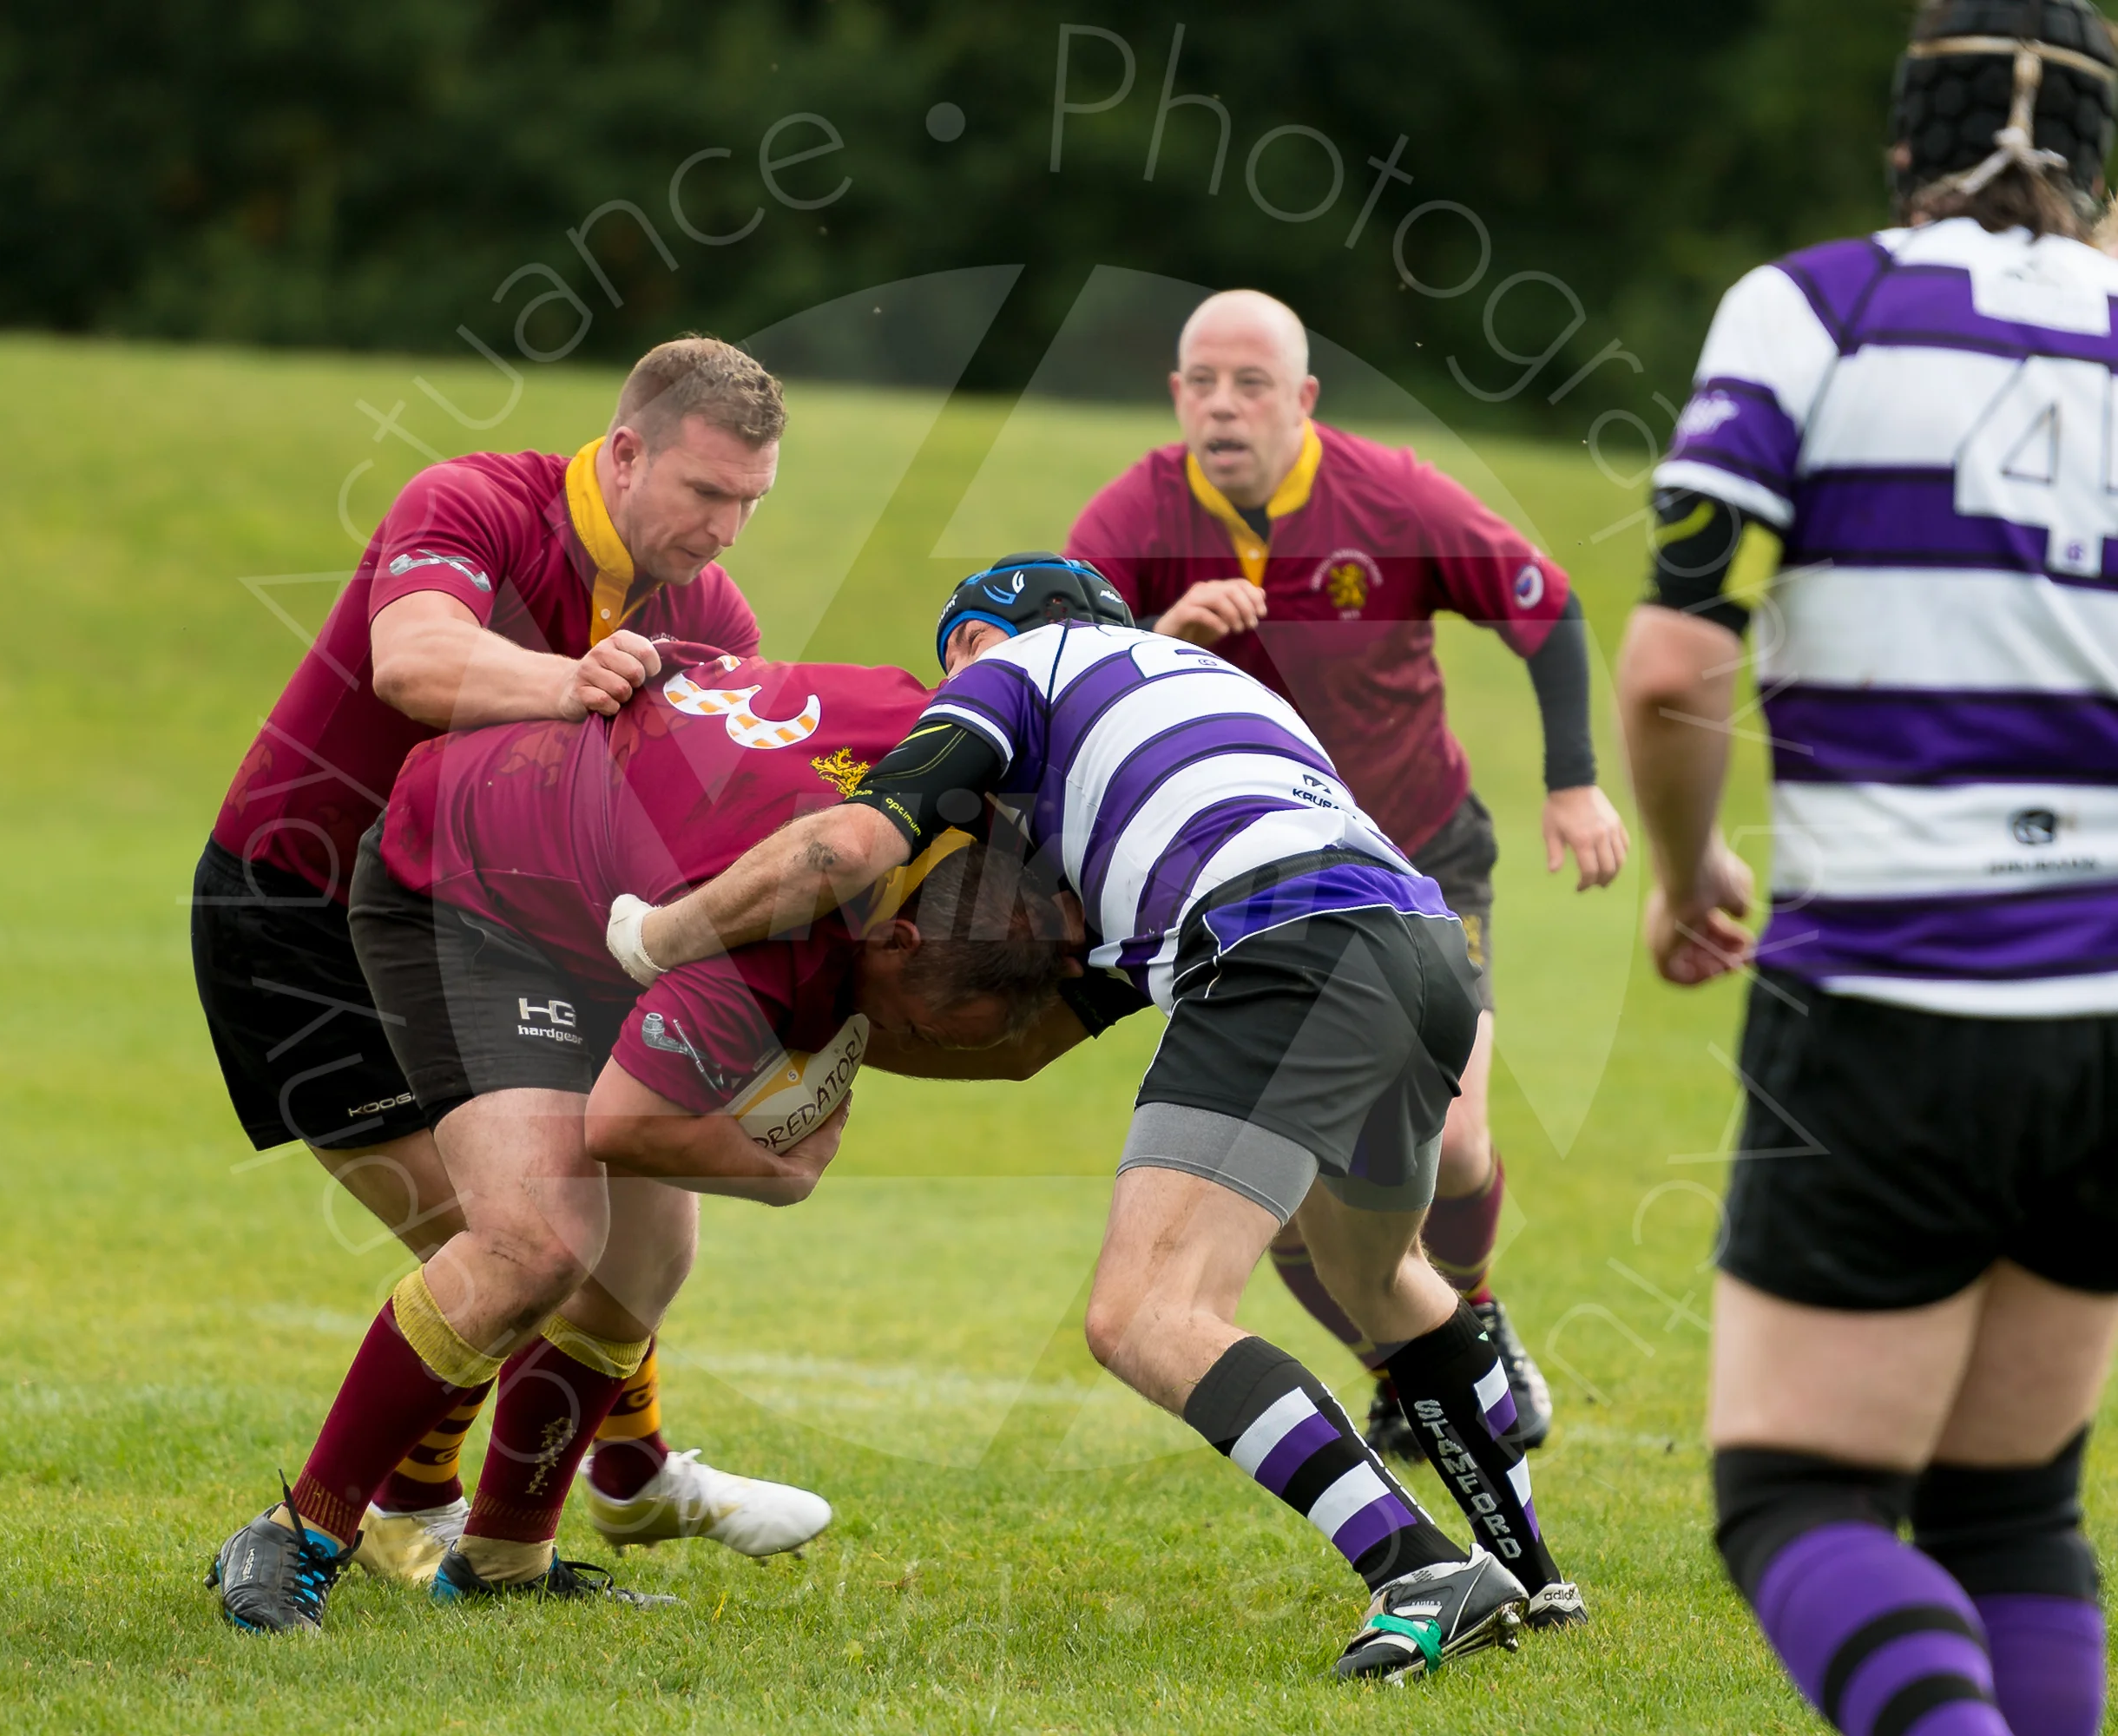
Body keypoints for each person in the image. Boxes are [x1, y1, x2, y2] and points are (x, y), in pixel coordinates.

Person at [615, 555, 1586, 1682]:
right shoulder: (1196, 702)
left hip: (1279, 953)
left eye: (951, 664)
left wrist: (657, 939)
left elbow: (844, 846)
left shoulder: (1015, 669)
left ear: (979, 640)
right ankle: (1531, 1572)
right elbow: (1042, 1036)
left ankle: (1416, 1564)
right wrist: (859, 1047)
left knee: (1146, 1313)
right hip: (1420, 953)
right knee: (1382, 1277)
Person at [1620, 8, 2118, 1733]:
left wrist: (1685, 874)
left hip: (1893, 991)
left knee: (1794, 1497)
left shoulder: (1813, 308)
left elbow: (1676, 666)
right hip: (2104, 1012)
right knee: (2008, 1502)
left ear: (1902, 140)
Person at [207, 642, 1075, 1629]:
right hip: (461, 886)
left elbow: (740, 688)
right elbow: (625, 1125)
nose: (895, 1046)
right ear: (894, 937)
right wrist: (780, 1171)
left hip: (597, 878)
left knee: (650, 1255)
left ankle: (502, 1559)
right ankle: (297, 1530)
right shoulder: (765, 945)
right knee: (538, 1241)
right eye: (913, 1026)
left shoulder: (934, 745)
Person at [188, 337, 812, 1576]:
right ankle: (400, 1515)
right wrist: (568, 680)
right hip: (301, 910)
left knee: (635, 1244)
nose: (729, 529)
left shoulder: (708, 608)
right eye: (707, 493)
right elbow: (414, 662)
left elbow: (701, 810)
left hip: (505, 930)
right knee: (512, 1245)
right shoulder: (474, 501)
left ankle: (526, 1531)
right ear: (626, 453)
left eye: (753, 501)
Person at [1066, 290, 1628, 1458]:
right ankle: (1406, 1366)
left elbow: (1545, 604)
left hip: (1418, 863)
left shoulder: (1393, 494)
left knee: (1457, 1147)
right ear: (1175, 396)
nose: (1224, 404)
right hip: (1247, 900)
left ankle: (1464, 1324)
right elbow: (1060, 676)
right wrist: (1163, 634)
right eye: (1202, 382)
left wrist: (1572, 780)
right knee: (1292, 1202)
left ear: (1304, 398)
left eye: (1251, 382)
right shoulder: (1136, 512)